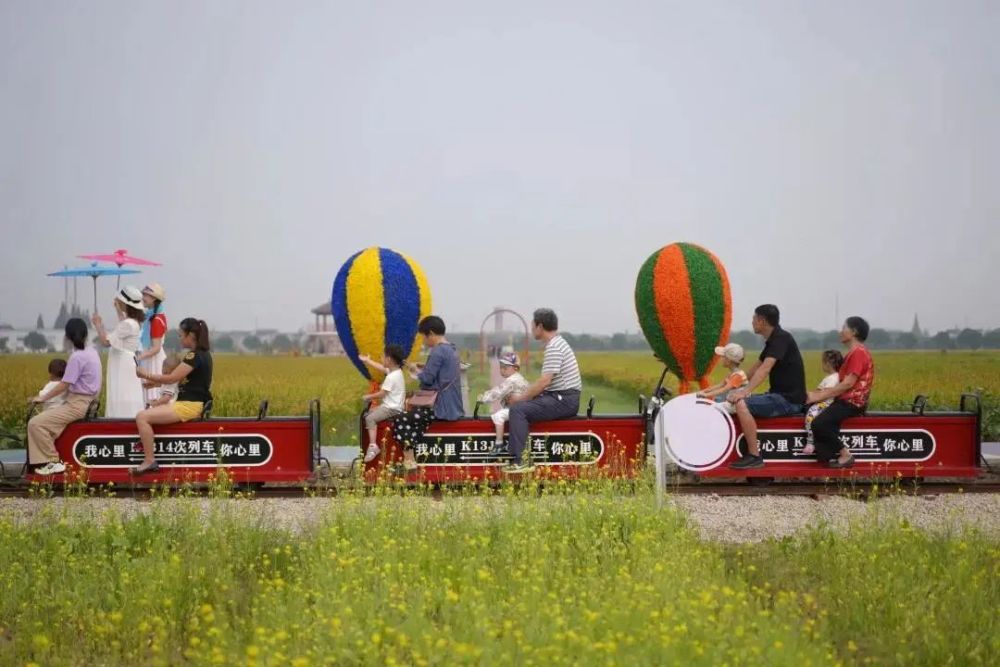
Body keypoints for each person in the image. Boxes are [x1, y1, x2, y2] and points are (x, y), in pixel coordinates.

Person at [728, 304, 807, 470]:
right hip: (778, 395)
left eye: (754, 319)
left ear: (762, 321)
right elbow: (755, 368)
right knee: (736, 400)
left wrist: (744, 392)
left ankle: (754, 456)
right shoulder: (773, 340)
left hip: (788, 399)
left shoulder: (781, 339)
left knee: (742, 404)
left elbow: (765, 368)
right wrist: (729, 384)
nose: (752, 322)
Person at [504, 309, 582, 473]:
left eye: (533, 325)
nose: (532, 328)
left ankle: (522, 461)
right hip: (561, 396)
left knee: (518, 410)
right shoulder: (557, 343)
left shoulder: (554, 347)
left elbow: (544, 382)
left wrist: (519, 399)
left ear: (540, 326)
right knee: (526, 403)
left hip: (564, 399)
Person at [133, 318, 213, 474]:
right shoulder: (204, 354)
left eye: (181, 335)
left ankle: (149, 460)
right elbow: (182, 382)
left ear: (191, 335)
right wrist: (155, 384)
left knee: (142, 417)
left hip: (188, 405)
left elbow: (172, 378)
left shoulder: (194, 356)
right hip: (190, 403)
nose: (180, 338)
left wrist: (146, 374)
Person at [26, 319, 102, 475]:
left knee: (35, 423)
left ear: (67, 336)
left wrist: (42, 398)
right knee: (49, 423)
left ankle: (53, 461)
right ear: (86, 334)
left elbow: (64, 384)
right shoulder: (92, 351)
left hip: (77, 404)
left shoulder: (77, 357)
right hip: (86, 401)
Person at [392, 316, 463, 471]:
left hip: (441, 408)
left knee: (401, 418)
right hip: (453, 406)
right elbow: (443, 372)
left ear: (430, 333)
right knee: (415, 418)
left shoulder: (437, 351)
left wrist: (413, 370)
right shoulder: (451, 348)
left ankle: (409, 462)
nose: (424, 341)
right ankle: (411, 460)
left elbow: (427, 380)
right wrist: (425, 366)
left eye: (424, 337)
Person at [807, 317, 875, 468]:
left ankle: (845, 454)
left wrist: (819, 395)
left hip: (852, 402)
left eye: (844, 327)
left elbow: (848, 383)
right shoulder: (854, 352)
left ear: (854, 332)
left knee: (819, 423)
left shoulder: (858, 353)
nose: (840, 331)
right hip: (846, 400)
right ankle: (826, 457)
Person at [92, 286, 146, 418]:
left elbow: (105, 341)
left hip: (122, 364)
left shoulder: (127, 324)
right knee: (127, 393)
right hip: (127, 361)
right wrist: (118, 309)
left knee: (121, 393)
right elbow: (123, 323)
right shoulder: (134, 322)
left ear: (125, 303)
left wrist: (98, 324)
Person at [358, 344, 407, 463]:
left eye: (383, 357)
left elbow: (382, 394)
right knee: (370, 413)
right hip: (393, 406)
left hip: (391, 408)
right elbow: (382, 368)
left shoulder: (391, 377)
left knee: (370, 418)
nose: (382, 359)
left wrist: (368, 397)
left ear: (389, 359)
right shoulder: (396, 372)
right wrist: (368, 361)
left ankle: (373, 446)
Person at [478, 352, 529, 450]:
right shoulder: (519, 378)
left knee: (498, 415)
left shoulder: (512, 381)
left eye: (505, 368)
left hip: (518, 410)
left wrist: (483, 398)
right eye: (501, 367)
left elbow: (497, 392)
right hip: (521, 408)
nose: (502, 370)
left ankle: (499, 443)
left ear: (515, 368)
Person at [801, 349, 844, 455]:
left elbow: (824, 394)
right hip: (826, 402)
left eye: (823, 362)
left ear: (828, 363)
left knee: (811, 414)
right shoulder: (836, 377)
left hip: (825, 403)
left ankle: (811, 442)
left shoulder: (832, 378)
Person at [136, 283, 168, 405]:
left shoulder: (156, 320)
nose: (143, 297)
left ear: (154, 298)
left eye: (146, 295)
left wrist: (139, 357)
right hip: (149, 357)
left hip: (153, 359)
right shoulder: (151, 316)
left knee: (152, 393)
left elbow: (156, 348)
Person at [696, 343, 748, 413]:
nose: (721, 359)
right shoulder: (732, 373)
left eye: (723, 357)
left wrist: (706, 395)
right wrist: (704, 391)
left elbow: (723, 389)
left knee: (710, 409)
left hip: (735, 405)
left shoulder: (737, 376)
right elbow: (720, 385)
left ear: (729, 360)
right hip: (731, 402)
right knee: (712, 404)